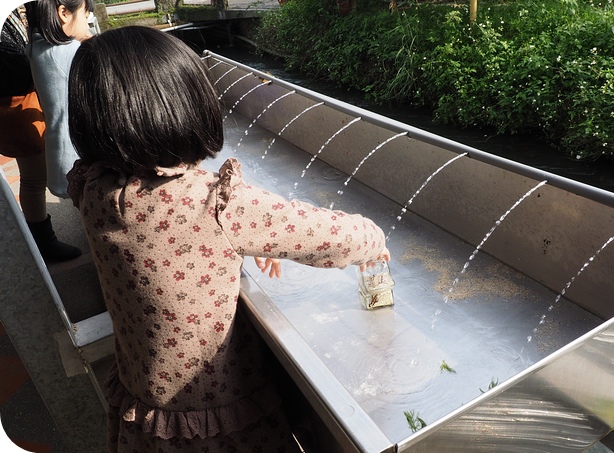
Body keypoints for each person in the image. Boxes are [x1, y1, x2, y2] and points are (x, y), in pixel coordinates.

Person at [66, 26, 390, 452]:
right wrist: (374, 236)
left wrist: (231, 247)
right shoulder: (213, 204)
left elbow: (172, 247)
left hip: (144, 407)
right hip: (218, 418)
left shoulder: (91, 188)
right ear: (182, 109)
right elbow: (330, 237)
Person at [0, 7, 81, 262]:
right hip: (17, 104)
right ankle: (44, 242)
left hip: (21, 101)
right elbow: (13, 66)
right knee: (34, 179)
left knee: (34, 178)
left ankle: (42, 241)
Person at [25, 0, 94, 198]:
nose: (87, 24)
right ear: (64, 13)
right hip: (80, 159)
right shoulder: (72, 52)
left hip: (59, 156)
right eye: (85, 15)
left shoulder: (36, 47)